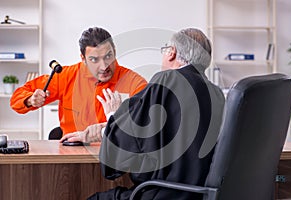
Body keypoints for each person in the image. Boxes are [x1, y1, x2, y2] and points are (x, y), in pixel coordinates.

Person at [61, 28, 225, 200]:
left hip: (162, 194)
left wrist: (112, 115)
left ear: (171, 53)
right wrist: (103, 129)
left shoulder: (167, 80)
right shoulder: (216, 94)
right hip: (200, 196)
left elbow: (128, 146)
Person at [10, 27, 147, 136]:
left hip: (115, 156)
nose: (104, 66)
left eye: (108, 56)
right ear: (83, 58)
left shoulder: (134, 82)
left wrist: (107, 126)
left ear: (115, 51)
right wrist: (30, 100)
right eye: (94, 59)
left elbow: (146, 124)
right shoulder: (65, 76)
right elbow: (16, 98)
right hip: (72, 155)